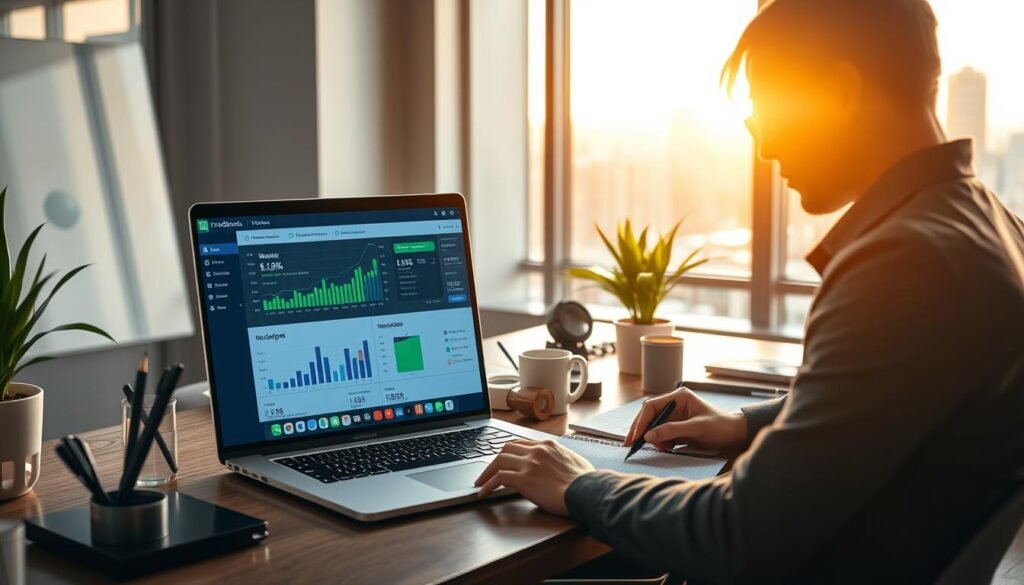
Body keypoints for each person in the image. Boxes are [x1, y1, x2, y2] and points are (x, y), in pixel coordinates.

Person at [475, 0, 1024, 582]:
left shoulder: (904, 264)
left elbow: (737, 534)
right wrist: (745, 425)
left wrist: (579, 483)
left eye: (770, 111)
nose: (765, 148)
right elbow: (900, 401)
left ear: (839, 92)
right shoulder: (990, 225)